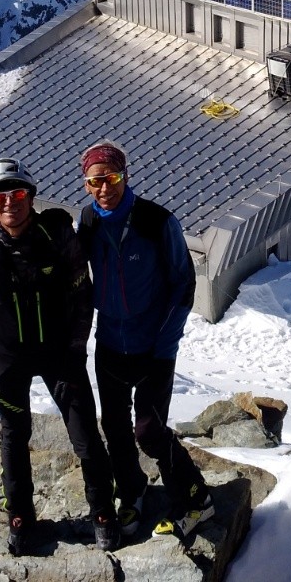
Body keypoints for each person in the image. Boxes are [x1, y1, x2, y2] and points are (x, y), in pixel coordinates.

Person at [0, 157, 120, 554]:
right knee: (14, 438)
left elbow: (83, 293)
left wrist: (76, 348)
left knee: (85, 436)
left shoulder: (57, 235)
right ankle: (19, 517)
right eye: (0, 197)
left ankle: (103, 512)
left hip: (59, 353)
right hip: (8, 357)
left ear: (31, 197)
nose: (9, 203)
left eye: (17, 194)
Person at [78, 141, 215, 539]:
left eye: (112, 177)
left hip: (154, 347)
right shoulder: (89, 221)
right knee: (116, 428)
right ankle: (132, 491)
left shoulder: (156, 221)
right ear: (86, 185)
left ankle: (196, 499)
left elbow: (184, 285)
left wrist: (165, 344)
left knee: (150, 433)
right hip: (110, 344)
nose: (104, 188)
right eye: (95, 181)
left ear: (125, 175)